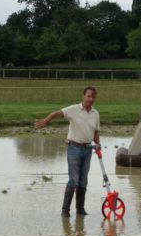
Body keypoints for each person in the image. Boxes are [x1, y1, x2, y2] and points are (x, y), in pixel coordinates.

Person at [34, 86, 101, 217]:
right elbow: (57, 113)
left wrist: (98, 144)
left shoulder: (95, 114)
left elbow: (96, 132)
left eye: (93, 97)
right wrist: (45, 121)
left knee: (83, 181)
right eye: (88, 96)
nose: (91, 99)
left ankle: (80, 210)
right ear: (83, 96)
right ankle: (65, 211)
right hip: (74, 148)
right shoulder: (73, 109)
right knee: (74, 180)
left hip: (88, 149)